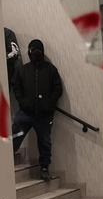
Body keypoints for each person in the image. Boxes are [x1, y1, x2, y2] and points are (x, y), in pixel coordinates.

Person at [10, 39, 63, 180]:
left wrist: (49, 104)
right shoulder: (23, 70)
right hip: (25, 113)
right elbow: (16, 87)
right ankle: (6, 164)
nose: (35, 53)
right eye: (33, 51)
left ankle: (44, 168)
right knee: (14, 137)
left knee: (45, 142)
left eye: (37, 51)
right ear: (29, 51)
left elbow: (58, 89)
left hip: (44, 115)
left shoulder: (51, 69)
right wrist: (23, 102)